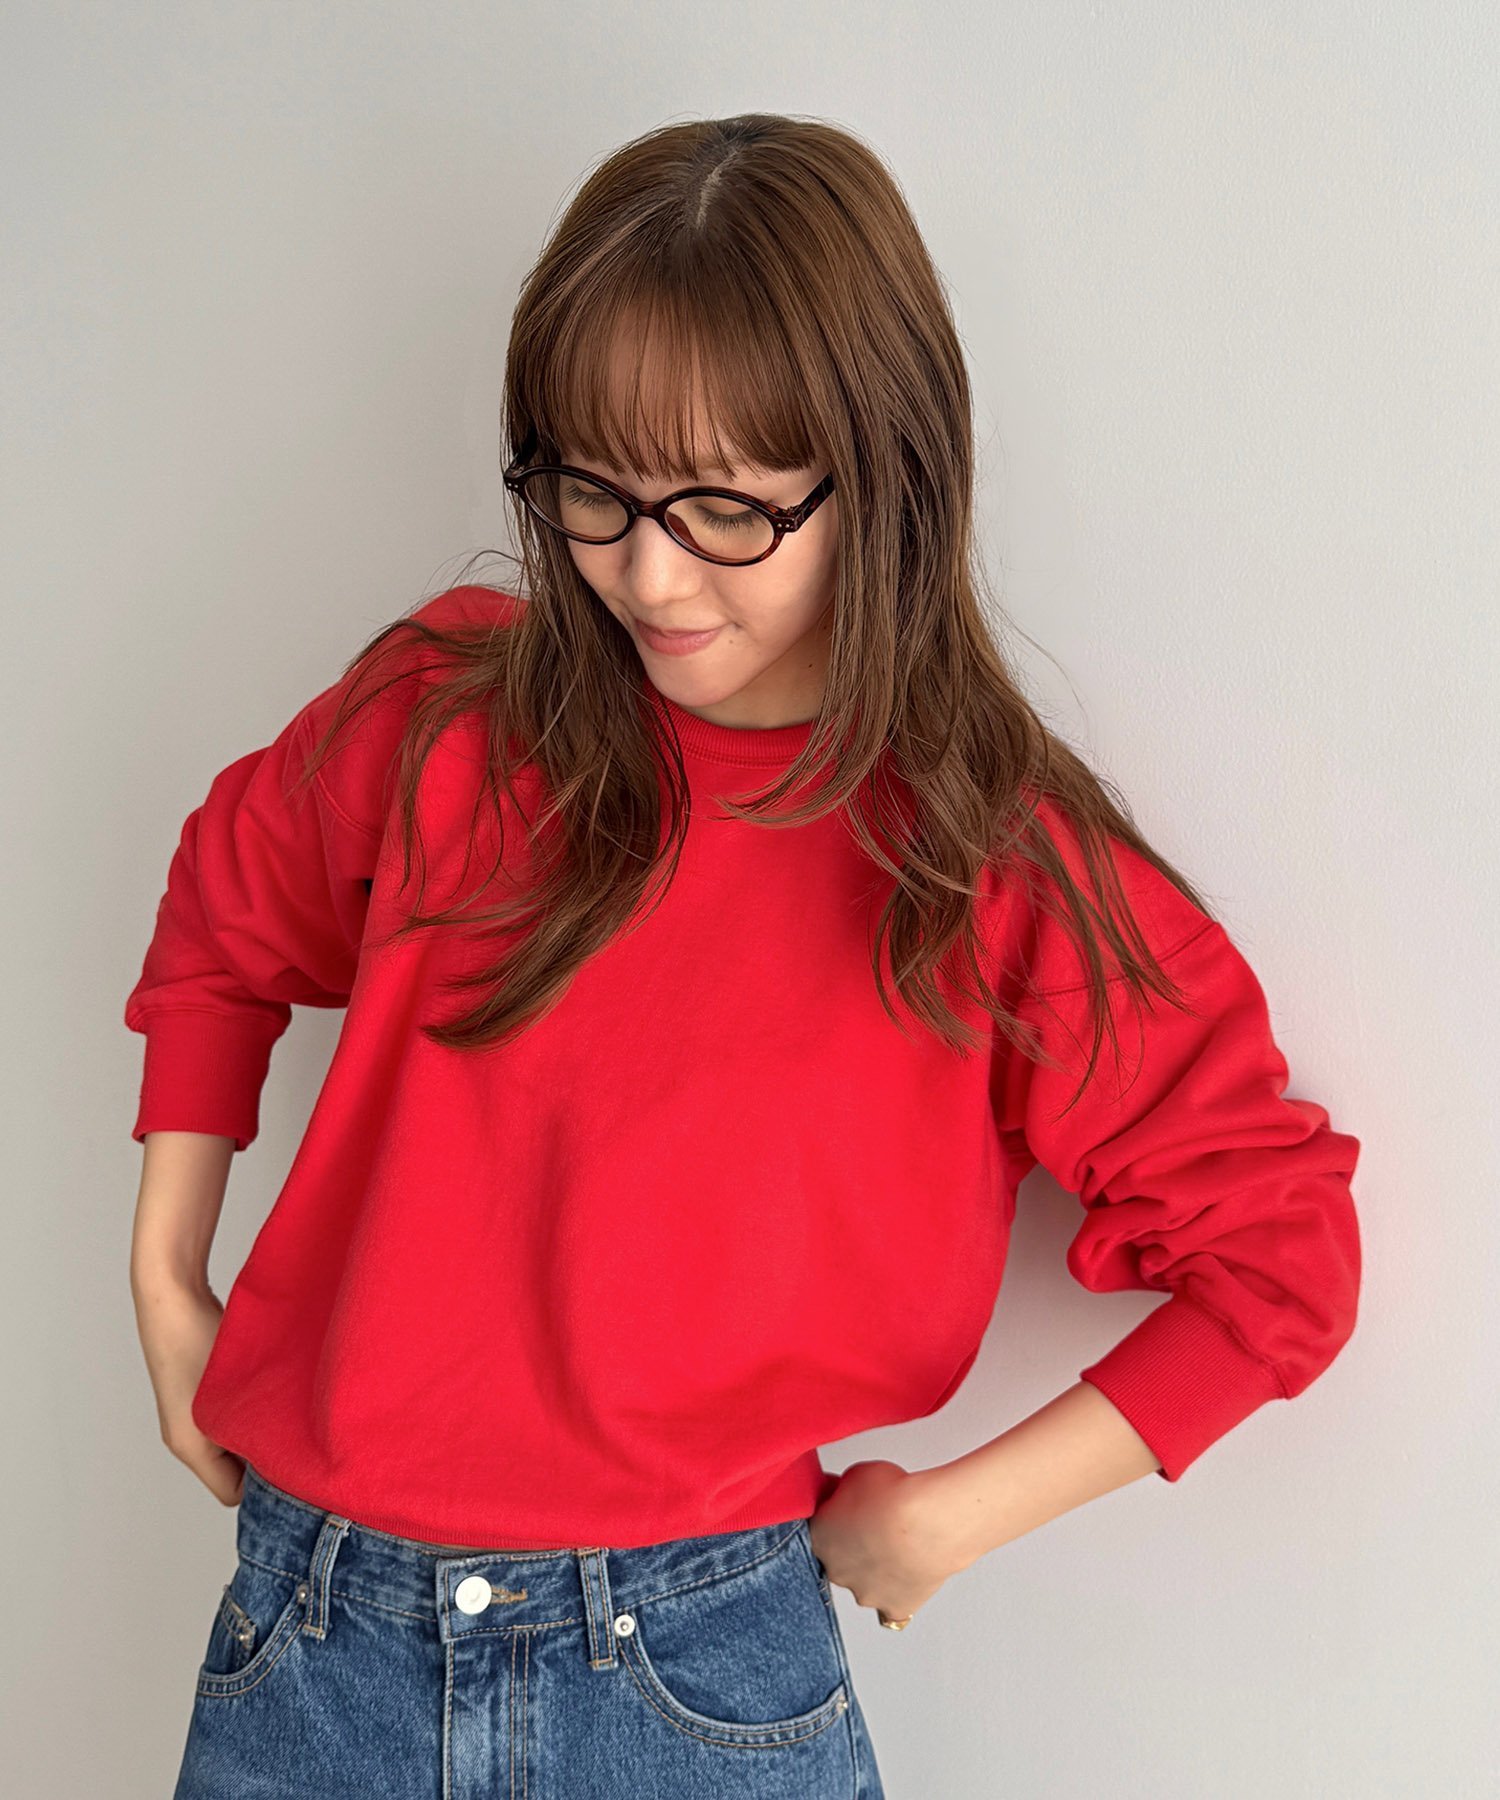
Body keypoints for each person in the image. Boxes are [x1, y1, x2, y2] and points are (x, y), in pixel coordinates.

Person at [125, 113, 1362, 1798]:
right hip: (312, 1644)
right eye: (592, 491)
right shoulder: (437, 721)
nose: (647, 572)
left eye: (727, 509)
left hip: (694, 1676)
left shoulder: (985, 866)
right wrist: (166, 1278)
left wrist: (949, 1520)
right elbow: (227, 912)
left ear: (882, 472)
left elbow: (1280, 1256)